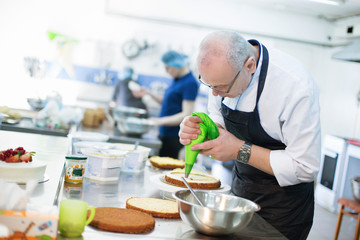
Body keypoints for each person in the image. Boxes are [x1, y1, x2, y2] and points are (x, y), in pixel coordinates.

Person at [178, 31, 321, 240]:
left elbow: (305, 167)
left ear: (250, 66)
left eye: (221, 87)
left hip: (283, 210)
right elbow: (217, 117)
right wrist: (201, 130)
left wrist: (238, 149)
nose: (215, 93)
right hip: (240, 195)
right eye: (208, 84)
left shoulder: (296, 88)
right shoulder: (223, 74)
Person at [133, 50, 199, 159]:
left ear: (177, 65)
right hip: (165, 133)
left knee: (165, 168)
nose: (166, 71)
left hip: (174, 136)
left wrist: (159, 121)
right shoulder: (177, 80)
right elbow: (166, 102)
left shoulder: (190, 83)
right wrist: (148, 92)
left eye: (168, 67)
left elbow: (186, 114)